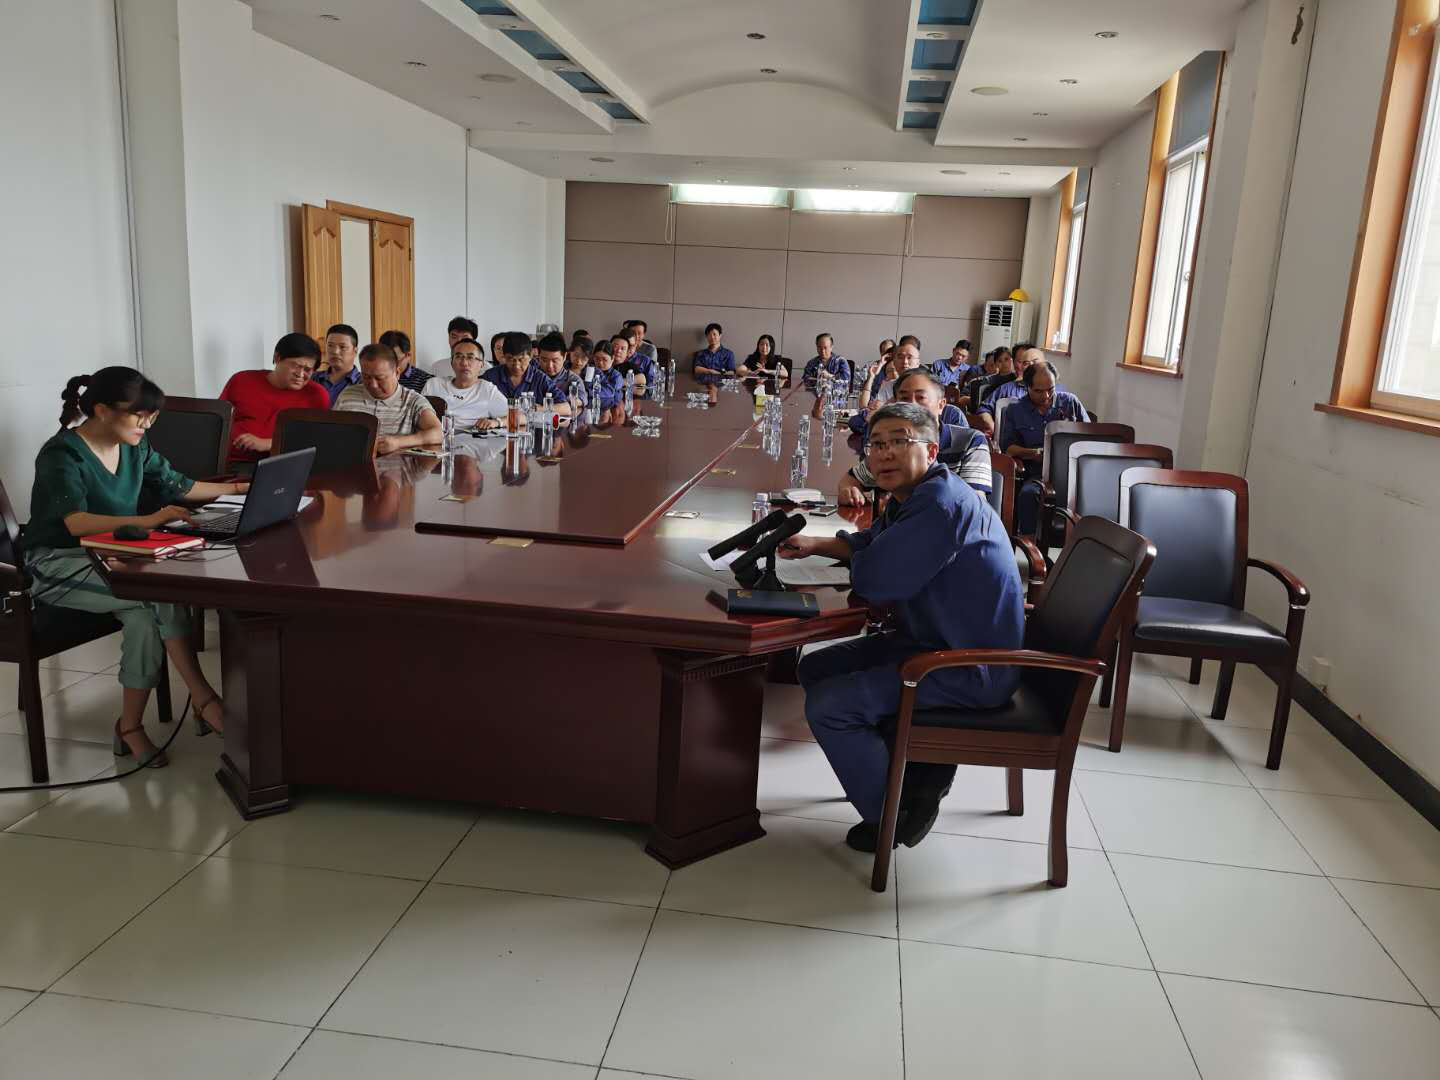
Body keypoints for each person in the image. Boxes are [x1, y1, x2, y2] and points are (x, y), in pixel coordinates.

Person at [780, 402, 1024, 852]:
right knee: (815, 669)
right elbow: (872, 544)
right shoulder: (916, 496)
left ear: (931, 450)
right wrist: (815, 543)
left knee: (832, 706)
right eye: (876, 444)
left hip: (971, 665)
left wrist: (866, 559)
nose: (885, 453)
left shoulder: (941, 504)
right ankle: (914, 769)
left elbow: (876, 581)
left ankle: (894, 814)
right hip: (932, 642)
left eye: (899, 441)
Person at [27, 368, 250, 767]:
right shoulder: (61, 454)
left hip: (112, 555)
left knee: (151, 607)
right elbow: (75, 522)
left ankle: (134, 724)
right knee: (150, 602)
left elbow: (180, 485)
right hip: (57, 563)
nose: (147, 425)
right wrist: (149, 521)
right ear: (102, 410)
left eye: (152, 417)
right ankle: (200, 700)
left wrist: (239, 488)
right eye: (140, 416)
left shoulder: (134, 447)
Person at [839, 370, 990, 505]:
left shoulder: (971, 441)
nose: (911, 405)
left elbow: (973, 508)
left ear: (941, 405)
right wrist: (849, 490)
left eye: (920, 397)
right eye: (904, 398)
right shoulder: (891, 444)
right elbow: (851, 478)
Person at [998, 360, 1090, 535]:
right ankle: (1029, 543)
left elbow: (1090, 439)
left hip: (1074, 474)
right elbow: (1008, 449)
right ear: (1027, 387)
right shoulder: (1015, 410)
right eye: (1039, 391)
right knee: (1028, 495)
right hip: (1038, 475)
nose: (1046, 396)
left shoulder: (1070, 402)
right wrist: (1034, 453)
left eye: (1051, 389)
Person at [219, 332, 330, 461]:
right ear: (277, 358)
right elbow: (218, 423)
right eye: (296, 366)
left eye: (307, 370)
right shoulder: (241, 380)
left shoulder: (317, 395)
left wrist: (269, 443)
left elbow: (319, 441)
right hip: (230, 462)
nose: (300, 374)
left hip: (283, 463)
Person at [336, 343, 442, 455]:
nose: (373, 385)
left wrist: (399, 442)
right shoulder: (347, 396)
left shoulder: (412, 401)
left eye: (380, 378)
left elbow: (439, 433)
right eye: (366, 377)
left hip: (396, 464)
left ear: (397, 373)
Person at [428, 338, 508, 429]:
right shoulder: (434, 384)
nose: (464, 363)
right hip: (436, 435)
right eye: (458, 357)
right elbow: (417, 415)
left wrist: (497, 422)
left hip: (472, 437)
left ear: (481, 364)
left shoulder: (487, 389)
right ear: (452, 363)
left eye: (470, 357)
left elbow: (518, 416)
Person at [482, 331, 555, 401]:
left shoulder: (541, 379)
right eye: (511, 359)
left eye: (521, 360)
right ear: (504, 356)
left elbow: (562, 405)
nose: (516, 366)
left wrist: (534, 407)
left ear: (530, 356)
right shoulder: (490, 377)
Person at [535, 332, 586, 415]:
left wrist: (542, 408)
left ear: (565, 356)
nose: (550, 365)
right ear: (538, 356)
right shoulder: (533, 376)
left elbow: (580, 400)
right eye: (544, 360)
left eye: (555, 360)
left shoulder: (573, 379)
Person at [313, 323, 362, 406]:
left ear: (355, 351)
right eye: (330, 345)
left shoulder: (364, 383)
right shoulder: (313, 379)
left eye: (342, 347)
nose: (335, 351)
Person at [589, 340, 625, 408]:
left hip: (609, 406)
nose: (600, 363)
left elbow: (609, 392)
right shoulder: (590, 370)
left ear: (612, 358)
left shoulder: (617, 376)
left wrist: (588, 392)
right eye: (597, 358)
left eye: (604, 359)